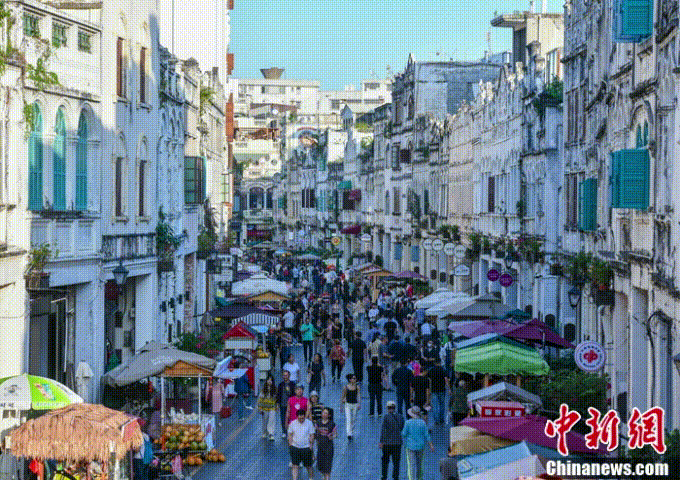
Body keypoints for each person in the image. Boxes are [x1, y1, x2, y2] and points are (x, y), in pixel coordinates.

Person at [402, 406, 434, 480]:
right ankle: (419, 478)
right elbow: (427, 435)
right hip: (420, 446)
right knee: (420, 464)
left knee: (411, 465)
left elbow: (404, 434)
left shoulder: (408, 423)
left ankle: (412, 478)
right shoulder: (422, 423)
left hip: (410, 446)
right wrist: (431, 445)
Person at [380, 400, 405, 480]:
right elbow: (402, 428)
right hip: (397, 443)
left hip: (387, 443)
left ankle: (384, 476)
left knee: (385, 461)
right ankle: (395, 477)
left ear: (387, 408)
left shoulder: (386, 417)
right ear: (394, 408)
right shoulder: (400, 417)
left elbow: (383, 430)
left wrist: (381, 442)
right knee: (396, 462)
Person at [288, 409, 315, 480]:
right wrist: (290, 445)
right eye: (300, 418)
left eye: (303, 418)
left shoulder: (309, 423)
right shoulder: (293, 423)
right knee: (295, 466)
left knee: (308, 466)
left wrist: (311, 446)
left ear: (304, 416)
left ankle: (311, 478)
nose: (301, 420)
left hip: (306, 448)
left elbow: (312, 435)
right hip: (295, 447)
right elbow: (290, 434)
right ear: (297, 417)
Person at [315, 407, 337, 480]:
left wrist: (332, 436)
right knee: (320, 466)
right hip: (320, 447)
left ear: (329, 415)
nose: (324, 414)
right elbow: (316, 433)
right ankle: (324, 477)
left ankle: (327, 478)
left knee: (327, 466)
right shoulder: (318, 422)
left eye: (326, 413)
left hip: (328, 448)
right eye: (323, 412)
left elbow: (335, 434)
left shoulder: (332, 423)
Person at [427, 357, 449, 426]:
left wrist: (429, 390)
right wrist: (449, 389)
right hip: (442, 390)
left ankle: (436, 420)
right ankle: (441, 419)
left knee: (435, 405)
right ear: (440, 362)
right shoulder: (443, 369)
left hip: (434, 390)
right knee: (442, 405)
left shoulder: (431, 370)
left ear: (434, 363)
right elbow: (446, 379)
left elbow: (429, 380)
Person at [277, 370, 296, 438]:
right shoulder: (280, 384)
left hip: (290, 405)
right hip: (282, 404)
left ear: (289, 376)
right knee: (283, 418)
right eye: (284, 375)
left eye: (286, 375)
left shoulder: (292, 384)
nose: (285, 377)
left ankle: (291, 431)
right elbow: (278, 395)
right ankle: (284, 431)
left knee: (291, 418)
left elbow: (294, 394)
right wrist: (278, 404)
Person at [258, 374, 277, 440]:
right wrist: (260, 408)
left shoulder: (275, 389)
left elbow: (277, 399)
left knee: (271, 421)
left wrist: (277, 406)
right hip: (264, 408)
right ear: (266, 381)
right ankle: (264, 432)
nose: (269, 381)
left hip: (272, 408)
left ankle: (271, 434)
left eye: (271, 380)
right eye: (268, 380)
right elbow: (260, 399)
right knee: (265, 421)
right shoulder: (263, 390)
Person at [341, 373, 360, 439]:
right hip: (348, 405)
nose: (355, 379)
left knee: (353, 419)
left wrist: (359, 403)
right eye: (353, 378)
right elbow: (343, 396)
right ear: (350, 379)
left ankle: (351, 430)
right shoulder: (346, 387)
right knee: (348, 419)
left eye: (355, 378)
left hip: (355, 404)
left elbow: (358, 395)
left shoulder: (357, 387)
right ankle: (349, 433)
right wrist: (341, 406)